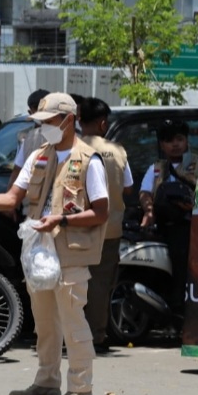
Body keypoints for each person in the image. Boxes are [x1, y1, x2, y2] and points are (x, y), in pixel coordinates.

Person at [0, 92, 108, 395]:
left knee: (73, 322)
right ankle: (46, 383)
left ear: (69, 120)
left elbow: (101, 212)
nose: (43, 127)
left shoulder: (89, 160)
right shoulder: (38, 156)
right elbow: (11, 199)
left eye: (49, 122)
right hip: (39, 254)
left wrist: (62, 220)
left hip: (71, 251)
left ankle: (82, 391)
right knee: (45, 323)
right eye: (41, 122)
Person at [77, 96, 132, 350]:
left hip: (74, 227)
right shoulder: (117, 151)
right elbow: (128, 188)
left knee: (72, 281)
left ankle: (71, 333)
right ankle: (96, 335)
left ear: (80, 121)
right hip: (109, 229)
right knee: (100, 284)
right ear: (103, 123)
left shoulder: (71, 148)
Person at [139, 119, 198, 311]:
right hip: (163, 226)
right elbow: (145, 193)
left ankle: (179, 305)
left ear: (187, 141)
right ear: (162, 145)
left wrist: (190, 205)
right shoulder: (156, 168)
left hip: (192, 228)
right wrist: (149, 211)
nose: (175, 144)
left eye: (179, 139)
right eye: (169, 140)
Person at [7, 89, 52, 189]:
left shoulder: (64, 135)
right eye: (37, 109)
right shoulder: (29, 138)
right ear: (30, 112)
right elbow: (17, 170)